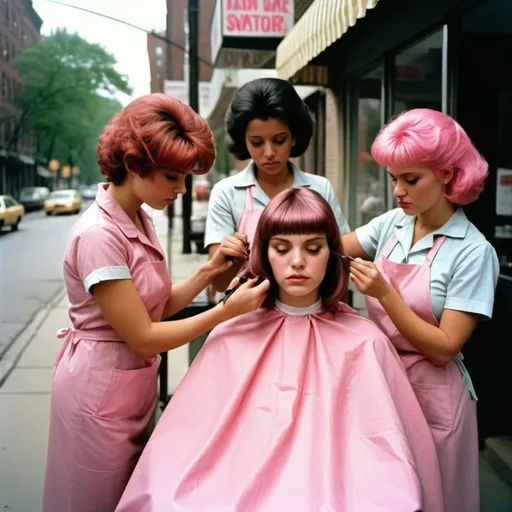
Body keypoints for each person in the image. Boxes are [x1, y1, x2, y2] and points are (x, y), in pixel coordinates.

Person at [115, 187, 444, 512]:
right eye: (282, 248)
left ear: (332, 254)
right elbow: (182, 447)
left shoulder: (365, 342)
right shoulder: (230, 336)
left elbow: (386, 463)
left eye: (313, 248)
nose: (298, 262)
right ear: (264, 253)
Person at [42, 93, 270, 512]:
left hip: (130, 389)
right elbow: (145, 336)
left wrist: (207, 272)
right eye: (171, 176)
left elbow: (156, 307)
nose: (181, 189)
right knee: (91, 501)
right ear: (132, 165)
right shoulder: (99, 235)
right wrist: (226, 311)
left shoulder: (138, 217)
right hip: (98, 393)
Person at [342, 108, 500, 512]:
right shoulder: (392, 224)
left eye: (411, 180)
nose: (398, 191)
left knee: (436, 498)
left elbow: (445, 347)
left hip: (435, 397)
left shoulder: (473, 251)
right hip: (383, 384)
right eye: (394, 179)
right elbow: (330, 248)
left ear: (448, 174)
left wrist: (386, 294)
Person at [205, 77, 350, 293]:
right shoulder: (226, 193)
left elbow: (341, 259)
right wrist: (231, 255)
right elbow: (218, 283)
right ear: (243, 140)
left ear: (293, 137)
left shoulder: (320, 189)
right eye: (257, 142)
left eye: (279, 140)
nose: (269, 152)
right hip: (246, 315)